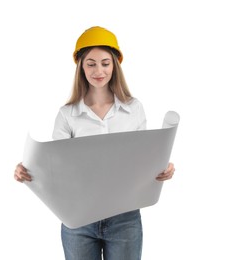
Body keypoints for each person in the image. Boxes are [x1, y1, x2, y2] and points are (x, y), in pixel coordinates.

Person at [14, 26, 175, 260]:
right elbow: (55, 166)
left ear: (114, 66)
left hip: (125, 218)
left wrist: (162, 167)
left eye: (105, 63)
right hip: (78, 220)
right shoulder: (67, 114)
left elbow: (144, 157)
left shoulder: (133, 109)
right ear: (81, 67)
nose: (98, 70)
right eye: (91, 63)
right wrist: (27, 170)